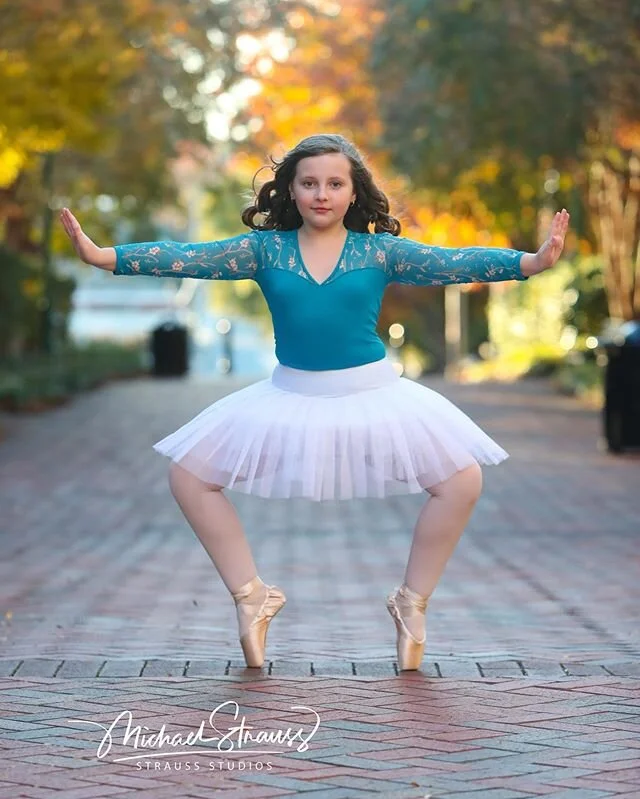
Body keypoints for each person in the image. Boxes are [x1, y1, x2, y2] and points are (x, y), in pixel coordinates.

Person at [59, 133, 570, 672]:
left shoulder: (379, 251)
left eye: (334, 183)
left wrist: (531, 262)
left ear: (354, 192)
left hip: (373, 394)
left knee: (462, 481)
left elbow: (451, 263)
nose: (321, 194)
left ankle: (411, 602)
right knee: (188, 476)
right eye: (309, 183)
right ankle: (252, 596)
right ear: (291, 190)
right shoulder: (264, 250)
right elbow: (189, 256)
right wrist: (103, 256)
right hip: (289, 395)